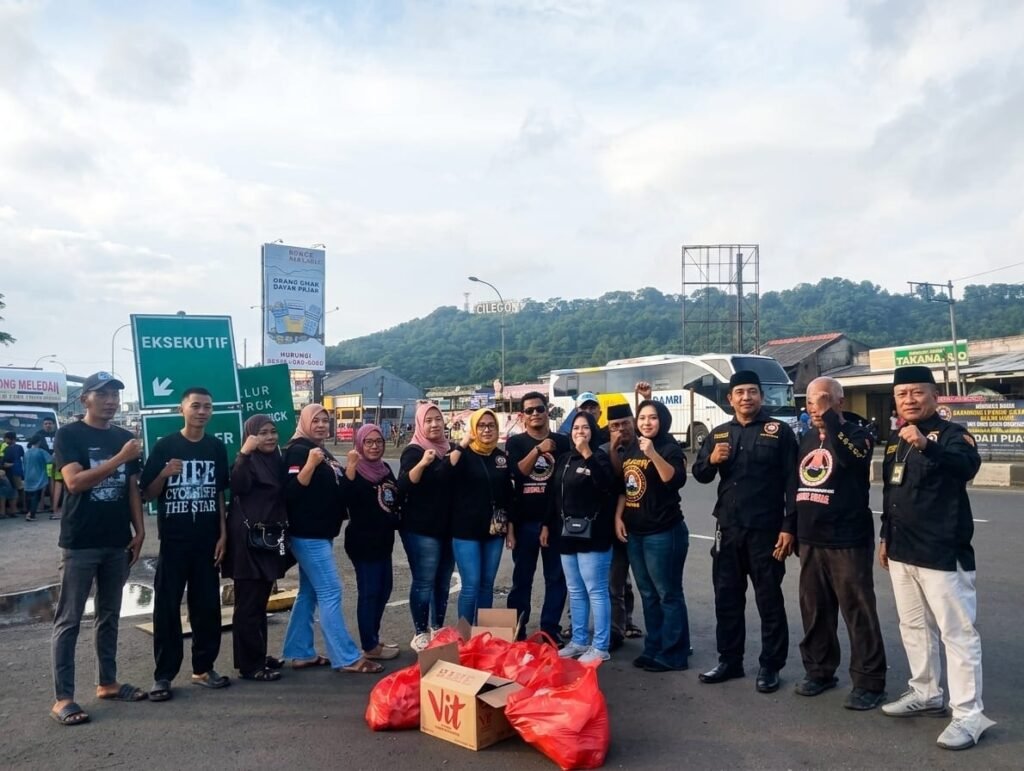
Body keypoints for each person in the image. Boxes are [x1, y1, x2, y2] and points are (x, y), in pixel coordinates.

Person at [879, 366, 995, 750]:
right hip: (902, 549)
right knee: (912, 626)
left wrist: (928, 445)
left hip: (942, 550)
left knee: (958, 634)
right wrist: (885, 537)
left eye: (916, 392)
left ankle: (968, 715)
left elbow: (966, 467)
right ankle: (925, 692)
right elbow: (892, 490)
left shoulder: (953, 435)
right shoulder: (898, 440)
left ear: (935, 395)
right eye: (901, 394)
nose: (909, 399)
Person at [50, 372, 147, 725]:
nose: (111, 401)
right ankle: (63, 698)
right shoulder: (69, 435)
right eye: (102, 394)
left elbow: (133, 488)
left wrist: (140, 531)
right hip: (80, 542)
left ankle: (107, 682)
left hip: (116, 541)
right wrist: (120, 458)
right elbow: (74, 483)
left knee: (109, 615)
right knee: (69, 620)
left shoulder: (125, 437)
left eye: (115, 395)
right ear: (85, 399)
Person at [692, 370, 798, 694]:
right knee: (727, 598)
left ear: (761, 397)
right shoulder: (720, 433)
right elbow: (700, 474)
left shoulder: (778, 432)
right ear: (730, 399)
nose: (746, 397)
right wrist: (710, 459)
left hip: (766, 530)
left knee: (769, 600)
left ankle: (770, 666)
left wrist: (788, 526)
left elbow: (794, 482)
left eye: (752, 391)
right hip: (728, 528)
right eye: (740, 393)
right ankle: (730, 660)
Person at [792, 377, 887, 710]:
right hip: (810, 539)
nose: (815, 407)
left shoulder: (858, 434)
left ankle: (869, 681)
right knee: (815, 610)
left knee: (858, 610)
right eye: (810, 402)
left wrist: (831, 420)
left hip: (847, 538)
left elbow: (853, 459)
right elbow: (796, 486)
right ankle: (819, 671)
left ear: (840, 402)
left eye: (824, 400)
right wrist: (790, 528)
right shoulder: (805, 439)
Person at [142, 387, 231, 701]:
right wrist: (165, 473)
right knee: (167, 608)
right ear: (183, 409)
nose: (202, 411)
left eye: (207, 406)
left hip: (207, 542)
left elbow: (220, 493)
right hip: (174, 542)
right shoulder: (166, 445)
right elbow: (146, 494)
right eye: (196, 406)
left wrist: (223, 534)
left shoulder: (216, 447)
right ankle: (163, 676)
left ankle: (203, 669)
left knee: (207, 607)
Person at [281, 404, 382, 674]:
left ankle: (300, 652)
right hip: (307, 533)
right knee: (331, 591)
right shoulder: (298, 450)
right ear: (304, 422)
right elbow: (289, 493)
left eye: (326, 420)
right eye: (316, 421)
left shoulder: (322, 451)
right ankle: (347, 657)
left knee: (310, 592)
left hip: (321, 533)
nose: (322, 425)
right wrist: (311, 465)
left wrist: (349, 466)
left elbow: (341, 492)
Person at [615, 400, 691, 673]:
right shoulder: (633, 447)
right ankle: (655, 647)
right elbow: (626, 486)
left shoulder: (669, 447)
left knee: (668, 593)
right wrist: (618, 518)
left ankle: (675, 653)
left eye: (653, 418)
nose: (647, 423)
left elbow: (675, 480)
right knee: (648, 593)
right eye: (643, 418)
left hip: (664, 532)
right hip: (637, 532)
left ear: (663, 420)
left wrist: (654, 454)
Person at [223, 414, 290, 682]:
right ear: (251, 435)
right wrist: (243, 453)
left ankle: (257, 655)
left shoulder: (275, 460)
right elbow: (236, 485)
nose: (270, 437)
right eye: (263, 433)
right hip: (247, 541)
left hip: (268, 538)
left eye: (273, 431)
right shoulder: (246, 461)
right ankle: (250, 666)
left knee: (259, 602)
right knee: (248, 605)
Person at [546, 411, 616, 663]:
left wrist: (587, 453)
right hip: (566, 534)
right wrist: (547, 526)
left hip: (594, 535)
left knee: (596, 590)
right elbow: (554, 496)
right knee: (575, 590)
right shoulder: (564, 459)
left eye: (585, 428)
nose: (579, 432)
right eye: (576, 428)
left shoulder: (599, 457)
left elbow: (607, 485)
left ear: (593, 432)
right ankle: (578, 640)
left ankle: (600, 646)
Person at [506, 391, 570, 642]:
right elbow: (517, 475)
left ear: (547, 411)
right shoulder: (515, 443)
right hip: (524, 523)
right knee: (522, 579)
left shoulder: (562, 442)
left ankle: (549, 630)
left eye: (539, 409)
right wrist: (538, 450)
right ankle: (518, 630)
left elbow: (564, 482)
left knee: (556, 578)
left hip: (554, 521)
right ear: (522, 416)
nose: (535, 414)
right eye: (529, 410)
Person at [397, 402, 456, 651]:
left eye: (438, 419)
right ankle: (420, 632)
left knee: (442, 582)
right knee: (424, 581)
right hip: (421, 529)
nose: (434, 424)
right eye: (428, 420)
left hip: (449, 528)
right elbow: (404, 486)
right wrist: (423, 463)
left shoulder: (450, 449)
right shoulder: (414, 450)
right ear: (421, 424)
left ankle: (438, 628)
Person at [449, 408, 514, 624]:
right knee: (471, 584)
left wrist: (510, 530)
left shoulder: (500, 457)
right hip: (466, 531)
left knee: (487, 583)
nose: (486, 430)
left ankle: (483, 634)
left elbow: (508, 496)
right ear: (473, 428)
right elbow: (444, 473)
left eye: (491, 425)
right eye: (481, 425)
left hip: (494, 531)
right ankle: (465, 636)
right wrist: (462, 444)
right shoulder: (464, 454)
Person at [344, 425, 400, 661]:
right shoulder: (355, 470)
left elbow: (394, 496)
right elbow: (344, 498)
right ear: (360, 444)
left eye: (378, 441)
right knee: (369, 592)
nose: (375, 446)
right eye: (368, 442)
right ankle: (369, 646)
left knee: (384, 590)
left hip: (384, 540)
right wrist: (351, 466)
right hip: (363, 541)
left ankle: (373, 638)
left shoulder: (385, 468)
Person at [604, 400, 645, 649]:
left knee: (647, 585)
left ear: (633, 423)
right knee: (615, 582)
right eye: (615, 425)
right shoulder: (604, 449)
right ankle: (617, 630)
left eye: (625, 424)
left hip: (644, 524)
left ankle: (629, 621)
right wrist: (612, 448)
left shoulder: (644, 446)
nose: (621, 429)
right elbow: (614, 481)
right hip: (614, 527)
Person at [29, 417, 60, 515]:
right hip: (44, 463)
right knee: (44, 483)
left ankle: (53, 505)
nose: (48, 425)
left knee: (55, 483)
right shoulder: (39, 434)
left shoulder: (58, 433)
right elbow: (31, 445)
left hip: (57, 462)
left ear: (54, 424)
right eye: (46, 423)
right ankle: (41, 505)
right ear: (43, 425)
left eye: (50, 423)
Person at [23, 436, 50, 521]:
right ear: (39, 442)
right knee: (36, 496)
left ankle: (28, 512)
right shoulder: (41, 452)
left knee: (28, 496)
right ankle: (31, 514)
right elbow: (50, 460)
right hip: (38, 477)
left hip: (28, 477)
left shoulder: (27, 452)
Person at [2, 431, 26, 514]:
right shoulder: (16, 447)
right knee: (17, 488)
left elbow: (9, 461)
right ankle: (22, 507)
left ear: (11, 439)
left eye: (6, 438)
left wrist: (9, 464)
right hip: (15, 470)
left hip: (14, 471)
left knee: (17, 489)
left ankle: (21, 507)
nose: (5, 440)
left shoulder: (12, 448)